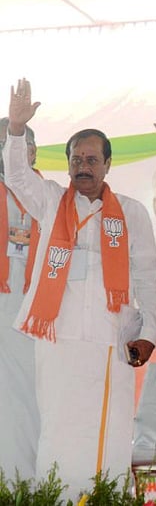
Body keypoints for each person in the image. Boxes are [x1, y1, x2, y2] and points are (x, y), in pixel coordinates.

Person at [4, 79, 156, 500]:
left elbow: (147, 277)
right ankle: (56, 498)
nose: (83, 167)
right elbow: (17, 175)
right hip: (58, 340)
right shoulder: (51, 202)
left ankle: (106, 497)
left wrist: (148, 333)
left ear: (108, 164)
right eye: (76, 159)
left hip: (111, 341)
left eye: (92, 159)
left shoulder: (132, 213)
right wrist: (16, 129)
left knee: (109, 431)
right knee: (58, 429)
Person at [0, 116, 40, 480]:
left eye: (14, 144)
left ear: (33, 151)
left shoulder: (52, 196)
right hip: (3, 305)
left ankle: (38, 480)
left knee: (38, 398)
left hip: (43, 309)